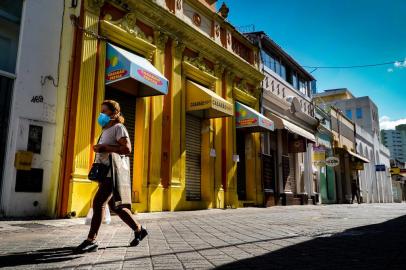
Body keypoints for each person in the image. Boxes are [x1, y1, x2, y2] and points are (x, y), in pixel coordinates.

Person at [74, 100, 147, 254]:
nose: (102, 114)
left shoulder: (118, 128)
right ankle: (139, 229)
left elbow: (127, 149)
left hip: (111, 173)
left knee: (98, 202)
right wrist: (99, 148)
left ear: (114, 113)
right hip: (104, 172)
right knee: (116, 206)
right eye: (101, 111)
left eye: (105, 111)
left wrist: (105, 147)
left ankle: (91, 240)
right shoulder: (105, 129)